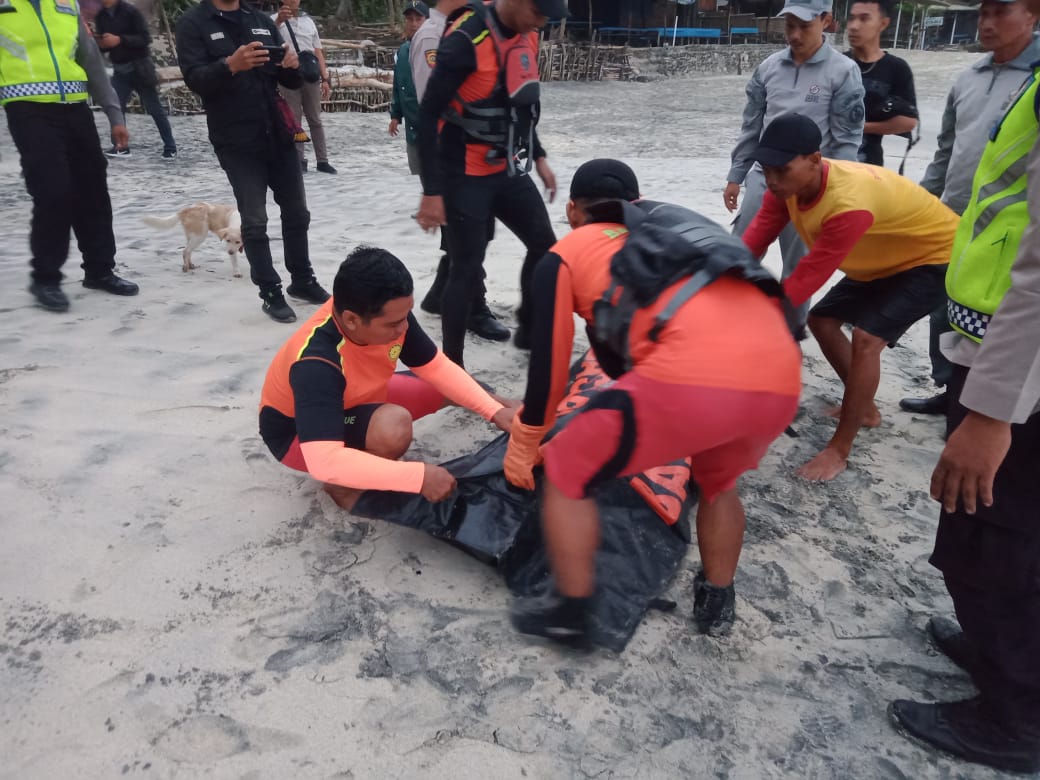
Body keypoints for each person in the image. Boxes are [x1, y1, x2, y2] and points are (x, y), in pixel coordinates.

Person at [504, 159, 802, 643]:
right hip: (780, 374)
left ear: (574, 210)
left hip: (696, 380)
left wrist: (525, 442)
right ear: (633, 203)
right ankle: (717, 599)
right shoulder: (669, 231)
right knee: (719, 484)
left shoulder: (565, 254)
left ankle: (571, 612)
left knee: (564, 465)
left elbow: (550, 375)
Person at [888, 34, 1040, 772]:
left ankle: (1018, 715)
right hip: (994, 353)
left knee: (993, 538)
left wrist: (991, 413)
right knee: (993, 533)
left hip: (1015, 379)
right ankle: (997, 653)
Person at [741, 113, 959, 481]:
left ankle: (839, 450)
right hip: (886, 254)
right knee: (821, 320)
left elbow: (807, 277)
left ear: (815, 159)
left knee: (867, 339)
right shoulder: (785, 189)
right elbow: (752, 243)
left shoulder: (847, 203)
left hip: (936, 256)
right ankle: (867, 409)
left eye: (781, 170)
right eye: (766, 170)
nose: (772, 180)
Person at [259, 246, 516, 510]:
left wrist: (493, 410)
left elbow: (435, 366)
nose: (404, 328)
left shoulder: (385, 310)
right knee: (393, 428)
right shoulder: (315, 363)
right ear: (351, 320)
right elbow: (324, 461)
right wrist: (417, 477)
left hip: (359, 394)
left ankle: (509, 411)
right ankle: (343, 488)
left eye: (406, 316)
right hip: (299, 434)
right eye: (394, 324)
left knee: (457, 389)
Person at [900, 0, 1040, 416]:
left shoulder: (1034, 82)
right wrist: (924, 203)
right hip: (956, 217)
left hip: (1012, 229)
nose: (987, 23)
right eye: (982, 13)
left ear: (1032, 14)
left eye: (1000, 12)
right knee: (945, 307)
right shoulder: (967, 78)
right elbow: (946, 150)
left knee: (1000, 323)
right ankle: (950, 390)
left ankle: (995, 411)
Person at [415, 0, 564, 366]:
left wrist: (539, 157)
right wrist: (432, 192)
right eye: (538, 13)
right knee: (466, 267)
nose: (540, 23)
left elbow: (521, 106)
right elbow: (427, 115)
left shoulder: (527, 36)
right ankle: (453, 367)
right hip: (464, 173)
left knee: (545, 246)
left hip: (507, 169)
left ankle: (528, 328)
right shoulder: (466, 40)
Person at [176, 0, 330, 324]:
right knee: (255, 219)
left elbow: (288, 81)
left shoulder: (260, 20)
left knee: (297, 212)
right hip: (235, 139)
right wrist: (229, 65)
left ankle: (302, 280)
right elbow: (194, 79)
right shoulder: (194, 23)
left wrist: (290, 66)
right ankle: (270, 292)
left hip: (278, 131)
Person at [724, 0, 864, 336]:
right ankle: (728, 321)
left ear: (825, 20)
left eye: (804, 26)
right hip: (764, 177)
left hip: (810, 186)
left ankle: (790, 333)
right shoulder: (768, 68)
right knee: (739, 251)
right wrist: (736, 175)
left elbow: (846, 140)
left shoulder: (843, 72)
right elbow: (751, 126)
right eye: (789, 25)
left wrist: (839, 195)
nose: (795, 35)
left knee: (799, 264)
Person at [2, 0, 140, 313]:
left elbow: (91, 62)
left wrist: (115, 115)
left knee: (93, 189)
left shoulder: (65, 5)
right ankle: (46, 278)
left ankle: (99, 270)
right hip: (27, 110)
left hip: (76, 108)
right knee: (52, 191)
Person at [408, 0, 508, 343]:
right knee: (467, 237)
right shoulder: (433, 35)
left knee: (466, 234)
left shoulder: (467, 26)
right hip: (448, 154)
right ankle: (473, 307)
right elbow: (433, 106)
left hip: (471, 152)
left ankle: (440, 294)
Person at [95, 0, 178, 160]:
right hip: (120, 70)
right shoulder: (101, 16)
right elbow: (103, 46)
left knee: (154, 109)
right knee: (116, 108)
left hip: (140, 69)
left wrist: (120, 40)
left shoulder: (130, 12)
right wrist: (102, 43)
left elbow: (145, 38)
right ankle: (121, 146)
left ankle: (170, 147)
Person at [844, 0, 917, 167]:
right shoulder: (837, 63)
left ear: (883, 24)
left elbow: (908, 121)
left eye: (864, 19)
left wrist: (862, 127)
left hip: (869, 166)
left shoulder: (896, 68)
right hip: (831, 164)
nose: (854, 26)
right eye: (851, 18)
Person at [272, 0, 335, 174]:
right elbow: (268, 41)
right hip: (287, 75)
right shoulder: (273, 21)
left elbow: (318, 51)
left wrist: (325, 78)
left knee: (315, 119)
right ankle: (298, 160)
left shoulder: (309, 22)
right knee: (293, 119)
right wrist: (278, 21)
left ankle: (322, 160)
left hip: (310, 74)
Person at [389, 0, 429, 175]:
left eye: (418, 19)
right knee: (416, 176)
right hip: (412, 129)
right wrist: (395, 115)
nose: (413, 24)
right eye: (409, 19)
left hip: (435, 128)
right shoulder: (402, 52)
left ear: (427, 21)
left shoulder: (435, 48)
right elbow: (398, 86)